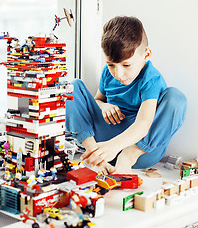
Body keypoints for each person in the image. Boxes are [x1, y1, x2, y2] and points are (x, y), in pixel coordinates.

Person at [66, 16, 187, 175]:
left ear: (146, 54)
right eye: (111, 65)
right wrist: (104, 106)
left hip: (139, 147)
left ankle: (128, 157)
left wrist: (115, 147)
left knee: (176, 98)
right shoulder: (108, 73)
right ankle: (93, 154)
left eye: (126, 65)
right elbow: (97, 100)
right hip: (104, 144)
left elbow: (144, 123)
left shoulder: (151, 79)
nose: (118, 73)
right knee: (72, 87)